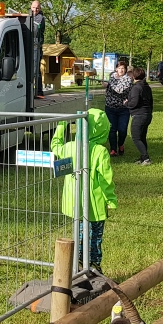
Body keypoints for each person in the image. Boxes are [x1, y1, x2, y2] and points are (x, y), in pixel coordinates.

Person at [51, 108, 117, 273]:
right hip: (95, 205)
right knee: (94, 237)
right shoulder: (100, 151)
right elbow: (105, 180)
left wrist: (61, 124)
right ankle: (93, 265)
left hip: (73, 202)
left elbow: (55, 146)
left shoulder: (69, 147)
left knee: (79, 232)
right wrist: (111, 200)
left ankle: (78, 263)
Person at [103, 60, 132, 155]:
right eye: (119, 68)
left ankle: (121, 144)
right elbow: (108, 90)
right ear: (116, 69)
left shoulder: (128, 79)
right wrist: (107, 86)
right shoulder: (112, 77)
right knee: (112, 129)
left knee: (122, 130)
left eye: (123, 68)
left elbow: (119, 90)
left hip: (123, 109)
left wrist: (109, 85)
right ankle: (113, 149)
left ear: (126, 70)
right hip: (110, 108)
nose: (121, 70)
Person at [126, 67, 153, 165]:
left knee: (136, 138)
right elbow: (151, 102)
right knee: (142, 137)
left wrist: (126, 103)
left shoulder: (136, 88)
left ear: (134, 76)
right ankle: (142, 158)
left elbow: (134, 103)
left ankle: (146, 158)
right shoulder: (146, 86)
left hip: (139, 115)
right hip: (147, 114)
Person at [30, 0, 45, 97]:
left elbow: (36, 31)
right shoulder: (27, 15)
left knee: (35, 69)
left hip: (36, 46)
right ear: (31, 7)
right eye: (34, 7)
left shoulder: (40, 18)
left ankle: (38, 91)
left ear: (40, 9)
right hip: (28, 45)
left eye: (37, 8)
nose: (35, 9)